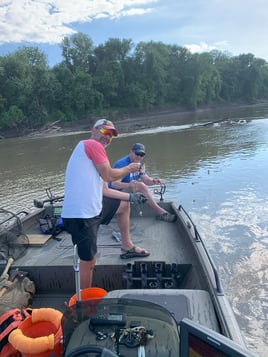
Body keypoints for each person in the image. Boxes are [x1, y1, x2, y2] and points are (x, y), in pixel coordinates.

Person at [61, 119, 149, 289]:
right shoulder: (92, 145)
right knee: (89, 261)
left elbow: (105, 190)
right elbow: (109, 176)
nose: (107, 137)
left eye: (111, 135)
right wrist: (129, 169)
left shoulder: (92, 157)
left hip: (93, 209)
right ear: (93, 130)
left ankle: (126, 246)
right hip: (81, 216)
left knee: (123, 206)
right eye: (104, 132)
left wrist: (131, 198)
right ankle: (84, 301)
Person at [109, 143, 177, 223]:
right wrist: (129, 185)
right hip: (113, 194)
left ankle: (160, 212)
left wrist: (155, 181)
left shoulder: (141, 165)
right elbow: (114, 184)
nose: (139, 157)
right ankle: (161, 212)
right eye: (137, 154)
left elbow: (146, 180)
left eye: (142, 155)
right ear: (131, 152)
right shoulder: (121, 164)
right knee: (141, 186)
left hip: (126, 192)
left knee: (142, 187)